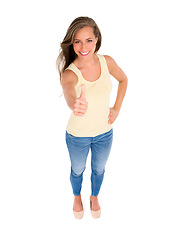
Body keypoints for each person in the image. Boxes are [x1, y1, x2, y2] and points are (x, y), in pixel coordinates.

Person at [56, 16, 128, 219]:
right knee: (77, 171)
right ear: (72, 43)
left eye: (88, 40)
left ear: (96, 39)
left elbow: (123, 79)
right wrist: (74, 103)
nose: (83, 46)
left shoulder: (107, 62)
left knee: (99, 169)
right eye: (77, 41)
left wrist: (117, 108)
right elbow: (69, 92)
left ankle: (94, 196)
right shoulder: (69, 73)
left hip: (105, 133)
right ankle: (77, 196)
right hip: (77, 136)